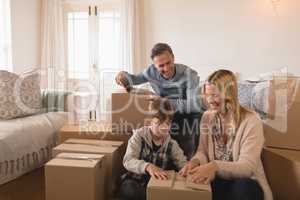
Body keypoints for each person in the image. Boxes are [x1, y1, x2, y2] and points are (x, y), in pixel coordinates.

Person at [179, 69, 273, 200]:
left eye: (215, 95)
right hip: (217, 180)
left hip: (244, 183)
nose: (210, 100)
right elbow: (203, 152)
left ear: (229, 94)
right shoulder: (207, 117)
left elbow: (247, 167)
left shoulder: (251, 121)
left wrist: (215, 166)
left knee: (245, 187)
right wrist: (194, 162)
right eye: (207, 95)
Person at [115, 43, 203, 159]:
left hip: (187, 113)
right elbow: (133, 79)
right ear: (155, 66)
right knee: (150, 118)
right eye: (161, 66)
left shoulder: (189, 74)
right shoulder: (150, 72)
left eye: (168, 63)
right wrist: (122, 76)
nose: (166, 69)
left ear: (173, 58)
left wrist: (163, 101)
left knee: (197, 117)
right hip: (166, 112)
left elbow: (194, 105)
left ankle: (193, 159)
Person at [119, 98, 187, 200]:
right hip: (136, 181)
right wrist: (148, 167)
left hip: (157, 184)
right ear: (150, 122)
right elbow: (128, 160)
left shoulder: (172, 144)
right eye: (159, 123)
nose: (164, 128)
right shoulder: (139, 136)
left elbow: (183, 163)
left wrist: (188, 170)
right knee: (129, 190)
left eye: (167, 124)